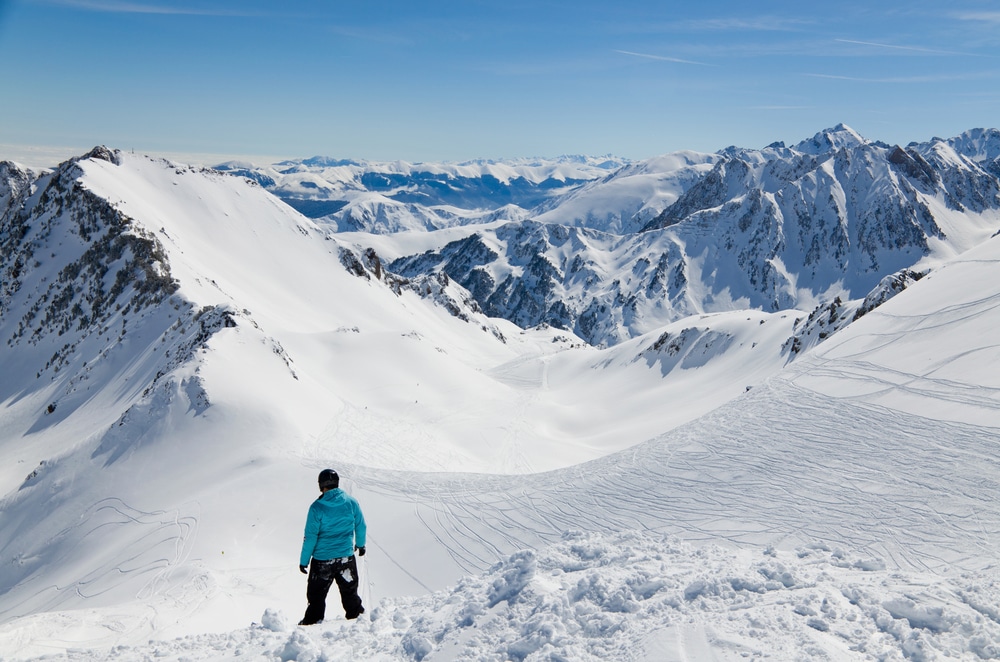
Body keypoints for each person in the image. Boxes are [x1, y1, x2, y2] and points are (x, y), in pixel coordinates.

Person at [298, 469, 367, 625]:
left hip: (322, 560)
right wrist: (361, 545)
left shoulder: (317, 507)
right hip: (345, 558)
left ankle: (311, 625)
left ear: (321, 485)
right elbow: (361, 526)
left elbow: (310, 537)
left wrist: (304, 561)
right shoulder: (351, 502)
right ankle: (359, 624)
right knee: (350, 595)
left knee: (316, 598)